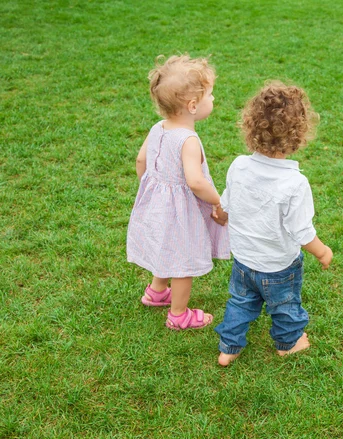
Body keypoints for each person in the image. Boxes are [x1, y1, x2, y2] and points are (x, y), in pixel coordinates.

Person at [213, 81, 333, 366]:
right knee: (285, 306)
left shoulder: (239, 166)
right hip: (279, 267)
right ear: (299, 134)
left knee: (240, 304)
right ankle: (288, 343)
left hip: (243, 261)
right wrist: (322, 251)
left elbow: (227, 203)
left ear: (251, 126)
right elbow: (301, 230)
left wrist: (221, 216)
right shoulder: (295, 183)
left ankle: (228, 348)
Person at [127, 54, 229, 330]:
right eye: (211, 95)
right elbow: (195, 182)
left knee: (165, 247)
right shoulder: (188, 140)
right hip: (180, 211)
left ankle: (157, 292)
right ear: (193, 105)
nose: (214, 99)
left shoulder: (157, 128)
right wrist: (218, 200)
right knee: (182, 259)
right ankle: (179, 314)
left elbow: (140, 161)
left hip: (158, 205)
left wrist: (151, 190)